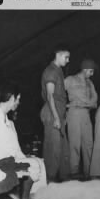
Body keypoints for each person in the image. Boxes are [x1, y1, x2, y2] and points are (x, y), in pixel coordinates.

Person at [0, 82, 47, 199]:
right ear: (12, 97)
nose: (18, 102)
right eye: (18, 99)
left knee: (39, 161)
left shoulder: (8, 121)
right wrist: (16, 158)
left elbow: (14, 147)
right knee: (34, 164)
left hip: (6, 157)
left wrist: (23, 156)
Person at [40, 44, 70, 182]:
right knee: (53, 151)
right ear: (58, 54)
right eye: (66, 57)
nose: (68, 60)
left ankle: (62, 182)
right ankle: (48, 183)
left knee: (62, 151)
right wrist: (56, 118)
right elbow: (50, 96)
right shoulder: (51, 71)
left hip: (58, 112)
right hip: (52, 113)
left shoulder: (58, 70)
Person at [64, 59, 98, 179]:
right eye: (90, 71)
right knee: (74, 145)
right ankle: (73, 173)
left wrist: (87, 103)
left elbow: (95, 101)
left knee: (88, 144)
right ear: (84, 69)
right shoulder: (70, 80)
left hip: (85, 114)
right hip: (74, 114)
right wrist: (66, 105)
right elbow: (57, 94)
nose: (92, 74)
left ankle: (89, 173)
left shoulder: (90, 83)